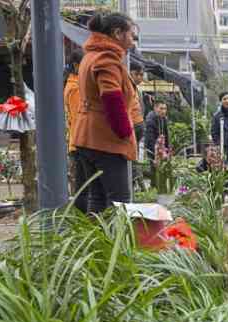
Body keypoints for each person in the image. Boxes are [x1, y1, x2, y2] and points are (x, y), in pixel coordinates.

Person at [73, 13, 138, 213]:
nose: (133, 40)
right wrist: (125, 133)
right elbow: (112, 100)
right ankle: (115, 243)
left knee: (98, 197)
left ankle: (97, 243)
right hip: (105, 139)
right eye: (131, 34)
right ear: (117, 33)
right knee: (119, 202)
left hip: (87, 137)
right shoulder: (107, 58)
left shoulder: (90, 55)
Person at [63, 50, 86, 212]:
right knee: (83, 187)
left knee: (82, 185)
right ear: (77, 65)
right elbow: (79, 119)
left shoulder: (75, 84)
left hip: (78, 141)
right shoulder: (76, 88)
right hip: (80, 142)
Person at [129, 61, 147, 191]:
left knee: (135, 158)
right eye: (138, 75)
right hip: (131, 127)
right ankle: (138, 185)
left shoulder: (135, 88)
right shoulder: (127, 86)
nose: (141, 78)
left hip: (138, 125)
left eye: (142, 75)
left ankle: (138, 185)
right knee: (132, 159)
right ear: (131, 73)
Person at [145, 101, 170, 186]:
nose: (163, 111)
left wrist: (167, 150)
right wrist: (155, 152)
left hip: (161, 147)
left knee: (163, 168)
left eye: (165, 109)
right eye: (161, 108)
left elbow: (166, 135)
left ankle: (160, 186)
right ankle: (154, 186)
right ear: (155, 108)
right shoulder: (150, 120)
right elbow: (150, 139)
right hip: (153, 148)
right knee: (154, 169)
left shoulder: (163, 118)